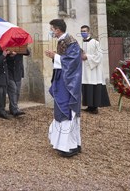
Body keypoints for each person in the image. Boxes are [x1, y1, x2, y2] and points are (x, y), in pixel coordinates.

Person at [45, 19, 82, 157]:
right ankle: (72, 144)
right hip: (63, 79)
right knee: (63, 110)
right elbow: (65, 58)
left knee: (66, 109)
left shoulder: (69, 41)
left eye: (52, 29)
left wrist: (55, 56)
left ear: (58, 29)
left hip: (68, 83)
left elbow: (72, 61)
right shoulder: (62, 41)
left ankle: (68, 147)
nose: (51, 31)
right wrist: (55, 56)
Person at [80, 25, 111, 114]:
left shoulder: (95, 42)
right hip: (85, 70)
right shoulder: (81, 42)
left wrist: (87, 56)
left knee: (93, 86)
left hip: (94, 70)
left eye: (85, 31)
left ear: (89, 32)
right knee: (86, 87)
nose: (83, 33)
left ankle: (95, 108)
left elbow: (99, 56)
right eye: (82, 31)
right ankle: (89, 106)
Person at [6, 48, 27, 117]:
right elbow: (4, 59)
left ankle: (13, 108)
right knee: (13, 89)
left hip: (18, 72)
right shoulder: (7, 46)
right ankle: (15, 110)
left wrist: (19, 50)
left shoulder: (21, 46)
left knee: (17, 91)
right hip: (9, 72)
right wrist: (11, 55)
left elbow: (28, 52)